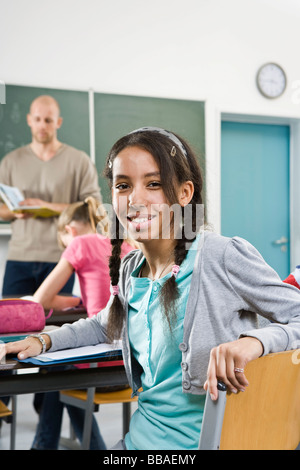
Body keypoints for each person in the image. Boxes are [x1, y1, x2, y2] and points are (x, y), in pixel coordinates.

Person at [3, 127, 300, 451]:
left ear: (185, 193)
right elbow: (104, 324)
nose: (134, 199)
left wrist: (255, 342)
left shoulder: (220, 256)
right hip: (136, 441)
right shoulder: (132, 268)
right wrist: (41, 340)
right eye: (123, 185)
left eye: (153, 184)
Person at [29, 198, 135, 450]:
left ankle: (45, 445)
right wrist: (83, 297)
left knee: (55, 371)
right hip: (131, 369)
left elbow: (39, 300)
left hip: (99, 369)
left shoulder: (78, 243)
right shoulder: (128, 246)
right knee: (61, 375)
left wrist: (77, 299)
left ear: (69, 231)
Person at [0, 95, 101, 297]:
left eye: (48, 120)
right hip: (19, 257)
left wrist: (46, 206)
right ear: (29, 120)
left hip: (61, 258)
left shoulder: (79, 160)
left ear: (58, 122)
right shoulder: (11, 161)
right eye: (37, 119)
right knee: (11, 323)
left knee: (55, 325)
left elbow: (94, 207)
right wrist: (15, 212)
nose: (42, 125)